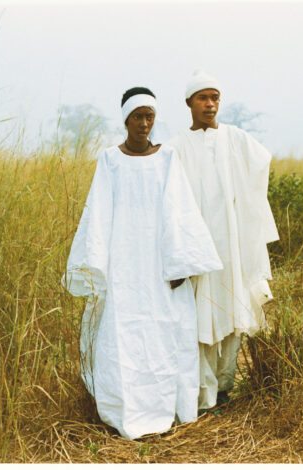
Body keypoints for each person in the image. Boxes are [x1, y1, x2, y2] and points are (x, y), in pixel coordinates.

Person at [63, 87, 223, 440]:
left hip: (160, 266)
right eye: (138, 117)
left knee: (164, 331)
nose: (144, 123)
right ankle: (124, 410)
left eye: (149, 116)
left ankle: (167, 408)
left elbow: (180, 211)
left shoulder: (167, 159)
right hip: (122, 265)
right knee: (123, 333)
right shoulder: (110, 160)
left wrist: (180, 264)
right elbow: (99, 213)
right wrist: (98, 266)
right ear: (126, 120)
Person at [168, 70, 279, 411]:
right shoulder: (176, 146)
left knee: (232, 313)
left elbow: (261, 164)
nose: (210, 104)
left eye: (215, 97)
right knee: (199, 317)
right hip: (198, 246)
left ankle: (224, 389)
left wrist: (241, 205)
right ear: (189, 103)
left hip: (231, 243)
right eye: (203, 98)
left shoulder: (235, 138)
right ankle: (203, 394)